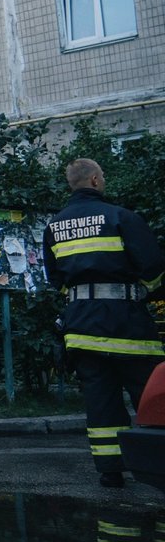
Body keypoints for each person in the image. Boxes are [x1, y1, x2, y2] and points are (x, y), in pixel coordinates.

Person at [41, 158, 165, 488]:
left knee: (100, 400)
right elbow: (153, 266)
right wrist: (143, 291)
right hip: (127, 325)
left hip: (81, 328)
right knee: (151, 395)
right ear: (95, 180)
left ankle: (110, 469)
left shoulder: (54, 226)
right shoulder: (121, 217)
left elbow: (55, 277)